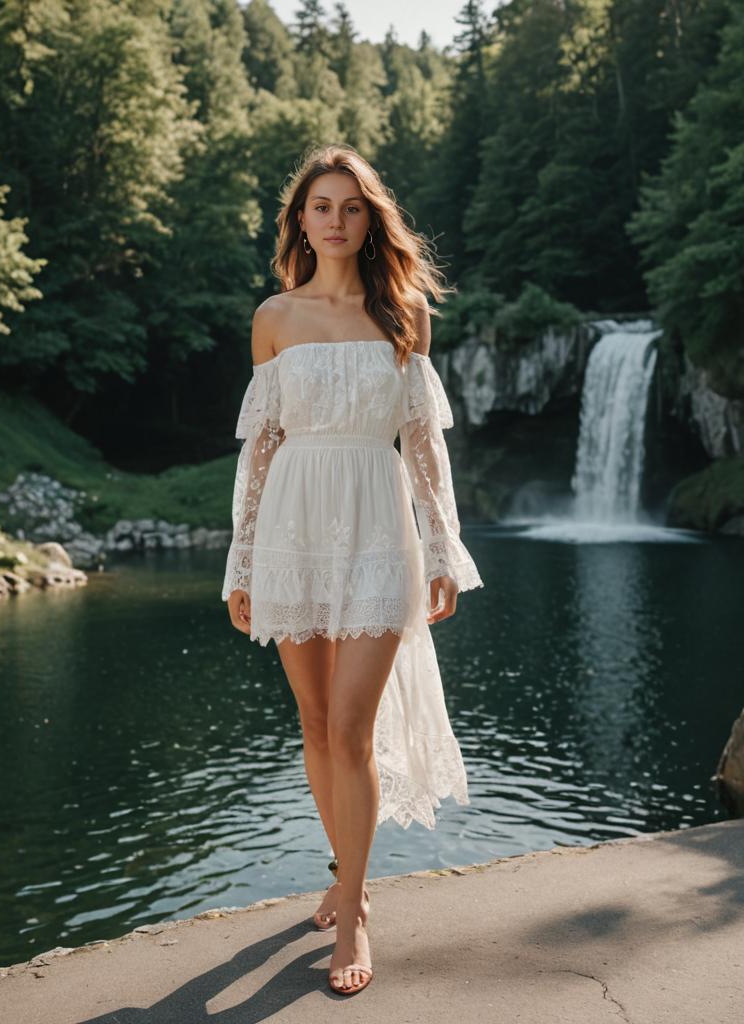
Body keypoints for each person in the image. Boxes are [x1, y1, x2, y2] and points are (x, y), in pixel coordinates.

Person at [221, 143, 484, 997]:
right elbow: (259, 452)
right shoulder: (274, 317)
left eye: (352, 207)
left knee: (352, 724)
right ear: (301, 219)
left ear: (371, 221)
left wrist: (444, 547)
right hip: (294, 527)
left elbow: (425, 445)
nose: (335, 220)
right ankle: (343, 871)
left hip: (378, 527)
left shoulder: (403, 311)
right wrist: (243, 558)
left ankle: (357, 907)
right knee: (314, 723)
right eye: (321, 206)